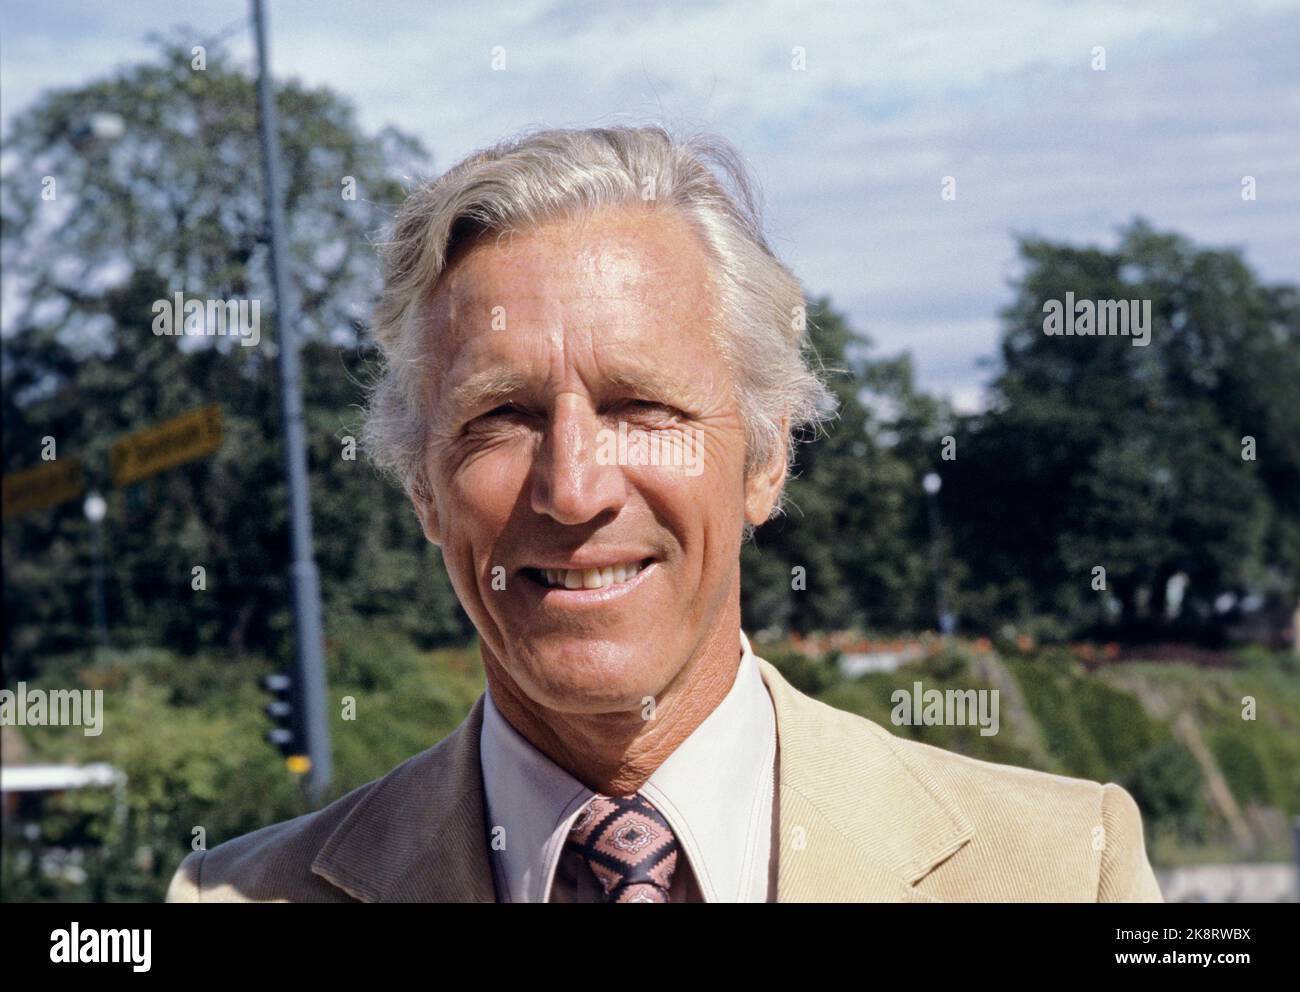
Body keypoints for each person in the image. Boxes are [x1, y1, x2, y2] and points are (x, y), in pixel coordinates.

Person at [166, 126, 1162, 903]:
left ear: (764, 457)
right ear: (422, 486)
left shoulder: (1065, 870)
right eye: (500, 415)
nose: (574, 489)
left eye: (642, 406)